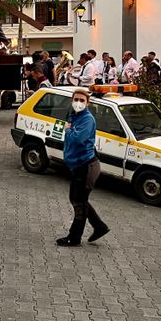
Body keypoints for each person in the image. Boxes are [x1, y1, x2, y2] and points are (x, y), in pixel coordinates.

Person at [56, 87, 109, 247]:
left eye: (82, 100)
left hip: (87, 166)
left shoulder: (87, 119)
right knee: (78, 199)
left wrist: (69, 130)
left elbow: (78, 138)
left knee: (79, 201)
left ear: (87, 103)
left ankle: (74, 237)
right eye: (76, 99)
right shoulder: (75, 116)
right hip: (79, 165)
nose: (78, 103)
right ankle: (99, 227)